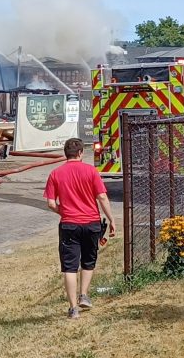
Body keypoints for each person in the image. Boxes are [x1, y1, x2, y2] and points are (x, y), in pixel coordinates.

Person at [44, 137, 116, 319]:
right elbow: (102, 197)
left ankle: (73, 308)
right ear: (81, 153)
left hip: (69, 225)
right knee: (88, 261)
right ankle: (84, 295)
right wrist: (111, 219)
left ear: (65, 154)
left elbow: (51, 203)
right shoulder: (91, 171)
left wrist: (64, 212)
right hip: (91, 224)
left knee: (70, 267)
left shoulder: (55, 174)